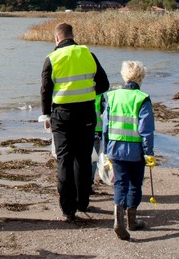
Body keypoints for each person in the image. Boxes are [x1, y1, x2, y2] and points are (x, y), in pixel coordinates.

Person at [40, 22, 110, 221]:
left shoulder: (52, 58)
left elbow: (45, 90)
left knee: (64, 158)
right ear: (72, 35)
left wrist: (46, 116)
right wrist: (88, 93)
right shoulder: (88, 54)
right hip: (87, 112)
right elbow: (104, 84)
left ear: (56, 38)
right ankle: (82, 202)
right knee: (83, 158)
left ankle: (68, 208)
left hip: (62, 114)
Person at [98, 60, 155, 240]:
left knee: (120, 182)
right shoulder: (142, 98)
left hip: (115, 147)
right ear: (141, 77)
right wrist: (149, 152)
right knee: (135, 184)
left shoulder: (111, 96)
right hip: (136, 150)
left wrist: (106, 147)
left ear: (124, 75)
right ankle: (131, 219)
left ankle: (118, 219)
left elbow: (106, 124)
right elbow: (146, 129)